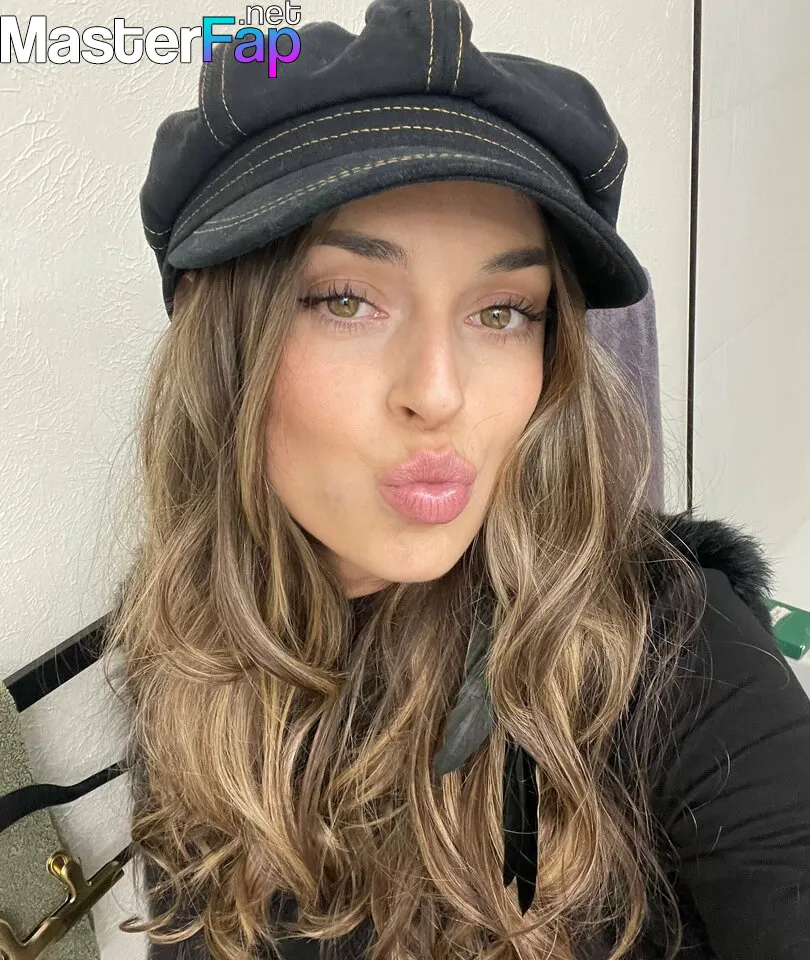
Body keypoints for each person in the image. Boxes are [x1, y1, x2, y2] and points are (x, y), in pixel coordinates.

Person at [101, 1, 810, 958]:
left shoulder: (675, 652)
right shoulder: (185, 647)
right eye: (346, 300)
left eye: (504, 311)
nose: (440, 394)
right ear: (220, 338)